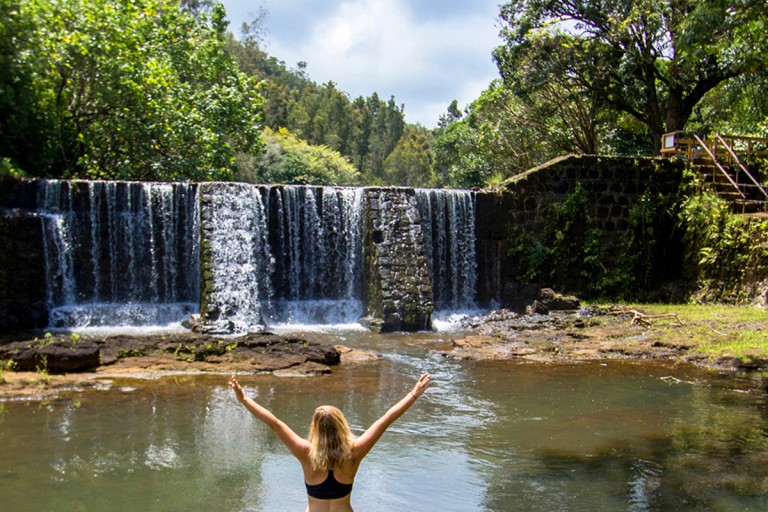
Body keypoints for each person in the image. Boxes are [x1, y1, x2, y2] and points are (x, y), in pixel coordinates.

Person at [229, 372, 431, 512]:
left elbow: (274, 423)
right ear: (342, 425)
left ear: (315, 429)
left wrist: (244, 398)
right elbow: (385, 420)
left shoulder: (306, 453)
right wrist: (413, 394)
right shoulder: (354, 453)